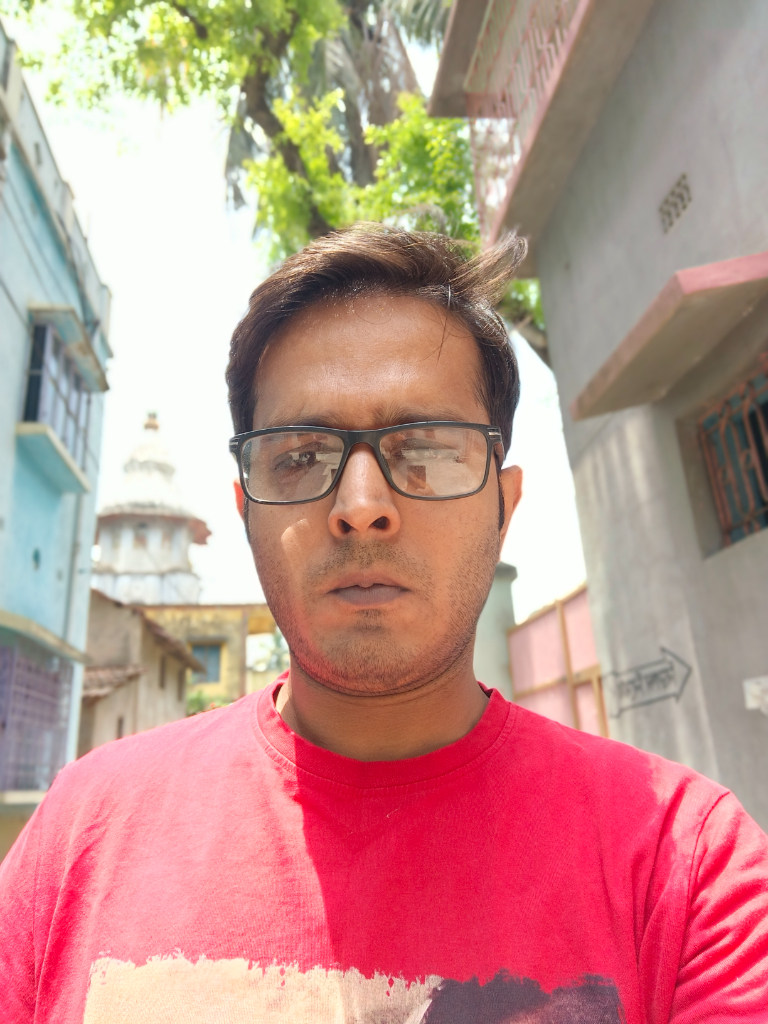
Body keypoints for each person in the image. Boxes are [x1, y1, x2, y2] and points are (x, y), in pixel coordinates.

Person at [1, 227, 766, 1023]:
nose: (360, 507)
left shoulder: (686, 870)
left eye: (426, 449)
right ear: (245, 513)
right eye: (299, 457)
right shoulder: (80, 838)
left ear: (504, 507)